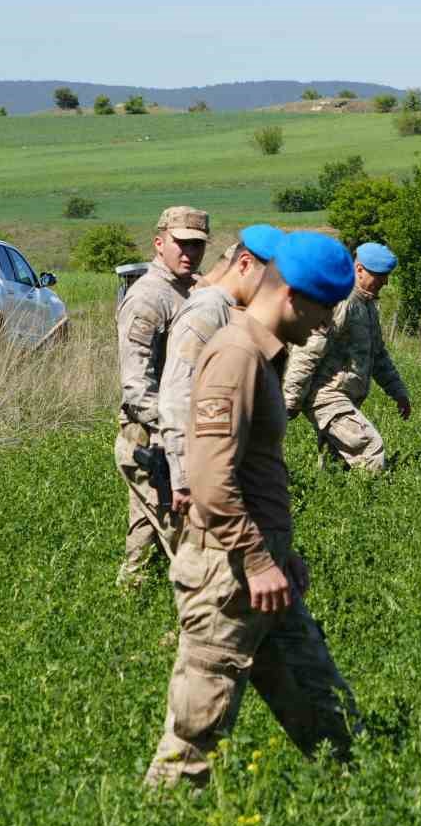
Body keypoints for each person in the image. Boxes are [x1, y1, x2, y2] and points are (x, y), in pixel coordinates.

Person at [144, 231, 361, 787]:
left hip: (262, 570)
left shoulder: (263, 353)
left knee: (326, 711)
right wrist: (259, 560)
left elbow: (255, 472)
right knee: (196, 730)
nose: (328, 325)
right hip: (228, 572)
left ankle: (360, 799)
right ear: (290, 294)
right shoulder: (236, 353)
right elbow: (212, 480)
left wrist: (281, 557)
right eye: (324, 309)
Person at [115, 206, 210, 588]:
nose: (189, 252)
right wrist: (176, 429)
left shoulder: (191, 290)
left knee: (146, 527)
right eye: (181, 244)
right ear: (159, 243)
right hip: (151, 436)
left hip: (168, 433)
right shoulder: (149, 298)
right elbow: (136, 385)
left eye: (197, 245)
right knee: (185, 537)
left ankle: (129, 600)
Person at [158, 225, 282, 514]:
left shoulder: (232, 311)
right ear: (245, 263)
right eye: (271, 281)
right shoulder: (209, 310)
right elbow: (178, 393)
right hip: (196, 471)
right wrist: (184, 477)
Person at [282, 243, 411, 473]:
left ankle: (325, 503)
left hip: (344, 395)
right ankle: (376, 505)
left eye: (387, 276)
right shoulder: (342, 301)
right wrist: (290, 399)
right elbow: (308, 349)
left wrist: (398, 392)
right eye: (380, 276)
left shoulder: (366, 303)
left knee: (336, 468)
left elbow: (378, 356)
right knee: (369, 448)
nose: (385, 282)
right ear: (359, 269)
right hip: (327, 396)